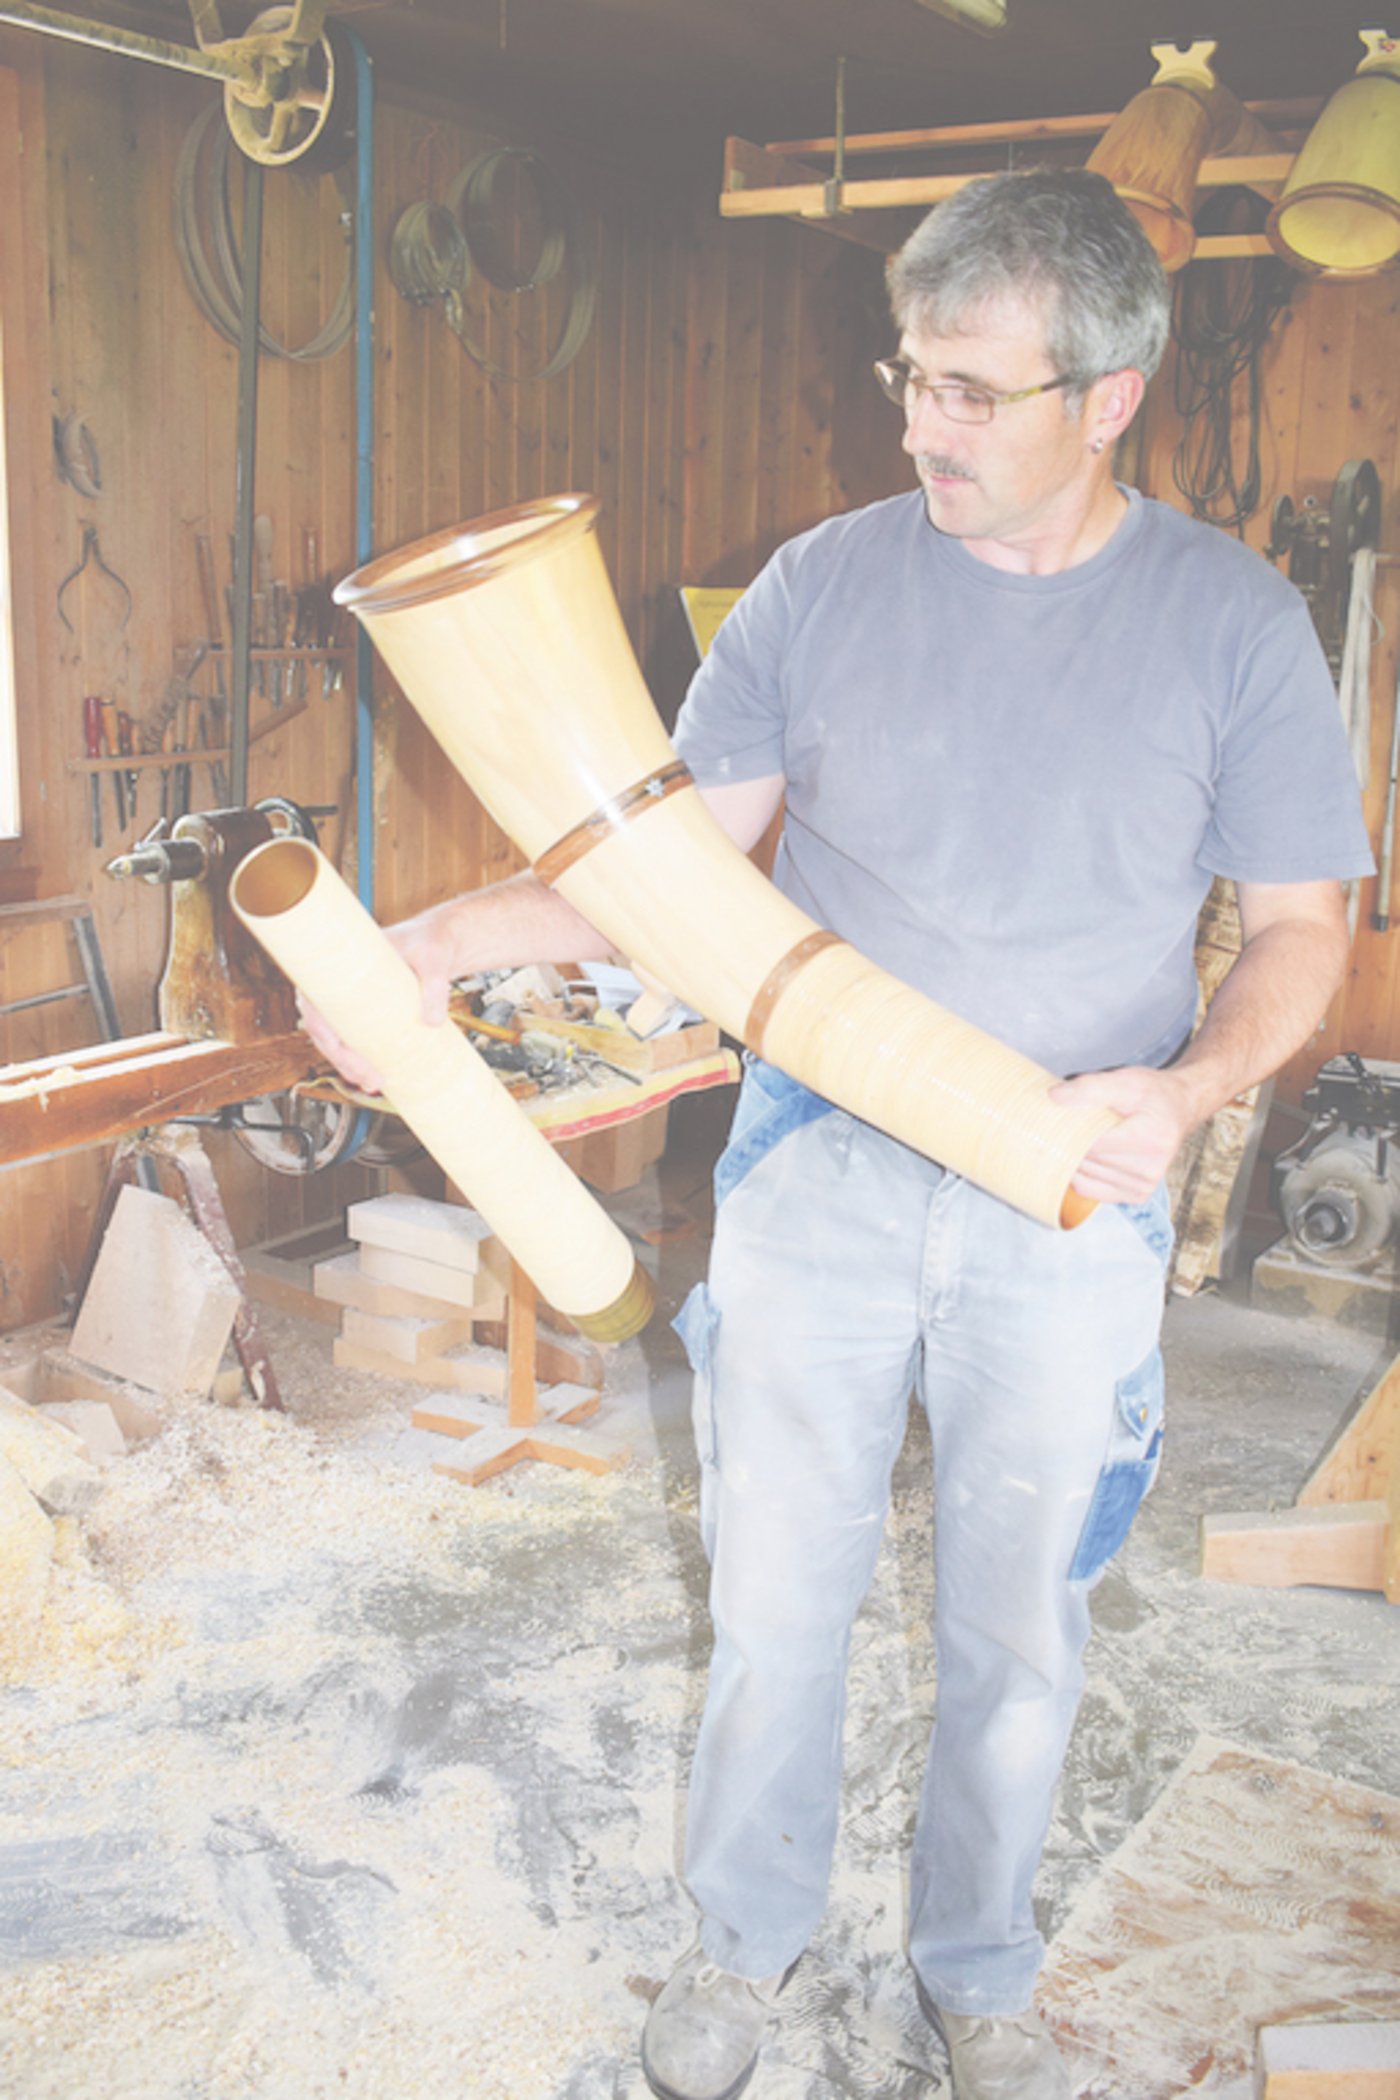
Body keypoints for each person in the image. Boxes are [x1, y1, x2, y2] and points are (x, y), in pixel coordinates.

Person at [305, 170, 1373, 2100]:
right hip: (821, 1165)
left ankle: (979, 1969)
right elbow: (670, 878)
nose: (921, 425)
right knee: (778, 1608)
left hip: (1068, 1186)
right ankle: (745, 1949)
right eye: (912, 376)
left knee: (1018, 1635)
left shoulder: (1234, 619)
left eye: (972, 389)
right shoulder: (822, 582)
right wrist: (432, 946)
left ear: (1107, 396)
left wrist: (1192, 1092)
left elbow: (1306, 927)